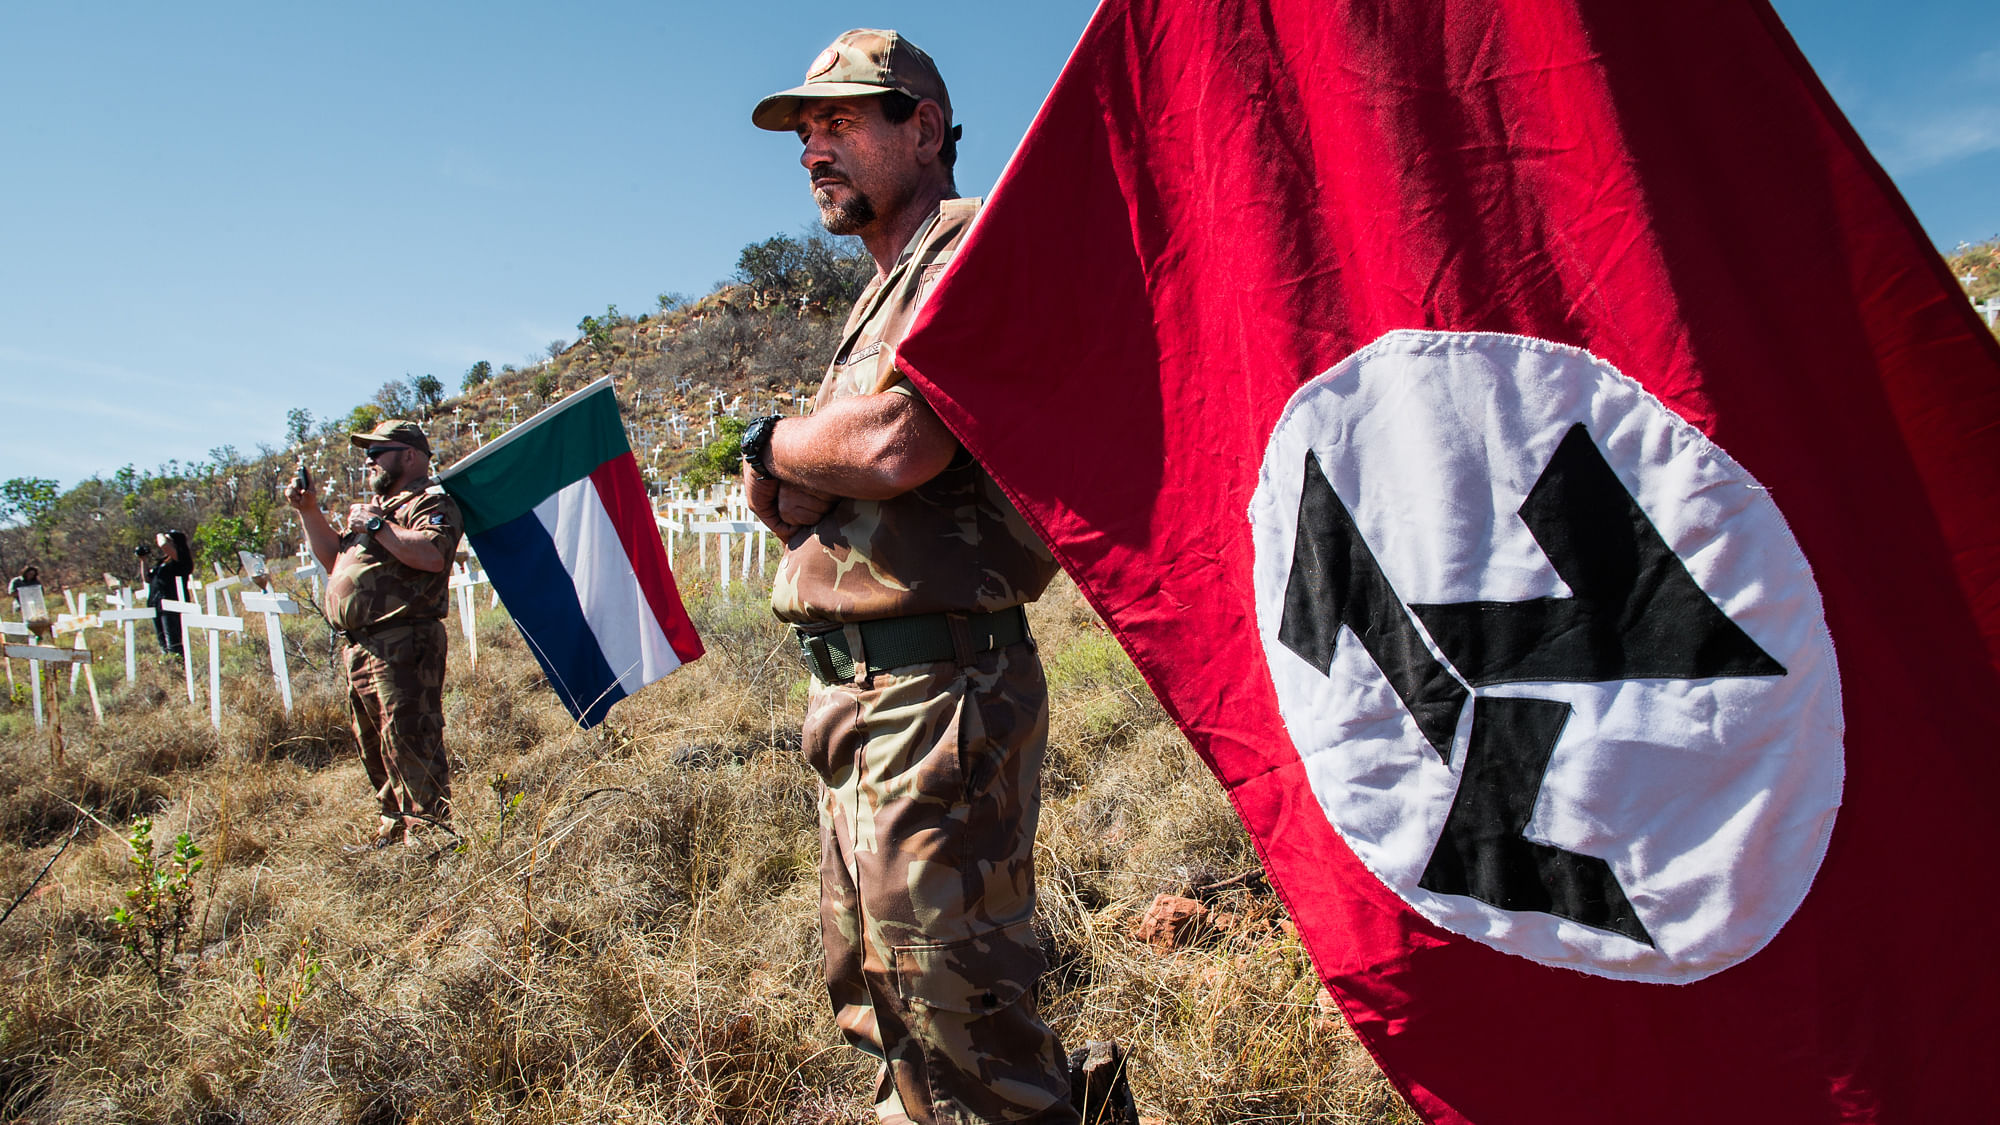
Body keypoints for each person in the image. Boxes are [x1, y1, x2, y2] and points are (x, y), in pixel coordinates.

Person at [743, 30, 1075, 1124]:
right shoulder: (880, 294)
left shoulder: (966, 249)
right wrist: (800, 466)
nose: (811, 152)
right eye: (804, 134)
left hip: (942, 694)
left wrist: (772, 442)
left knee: (961, 1024)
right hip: (860, 695)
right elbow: (809, 493)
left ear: (922, 127)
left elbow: (891, 449)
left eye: (836, 123)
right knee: (886, 1013)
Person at [284, 419, 463, 850]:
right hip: (362, 646)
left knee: (410, 738)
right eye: (367, 454)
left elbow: (432, 555)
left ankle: (431, 838)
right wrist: (308, 509)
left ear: (409, 455)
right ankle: (395, 825)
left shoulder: (429, 502)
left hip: (404, 640)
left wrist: (379, 527)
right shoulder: (378, 508)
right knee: (375, 743)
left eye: (378, 452)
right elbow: (334, 560)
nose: (369, 461)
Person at [143, 530, 194, 657]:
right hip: (157, 603)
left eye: (170, 540)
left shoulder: (182, 558)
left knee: (173, 640)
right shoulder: (163, 562)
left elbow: (163, 544)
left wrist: (160, 534)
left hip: (171, 603)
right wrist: (143, 559)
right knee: (162, 641)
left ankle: (178, 664)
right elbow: (147, 579)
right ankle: (169, 664)